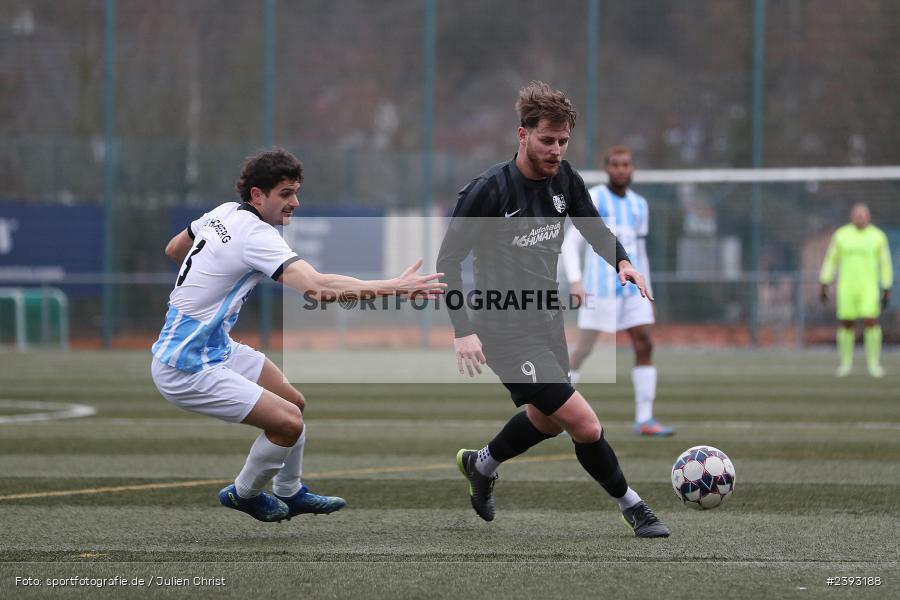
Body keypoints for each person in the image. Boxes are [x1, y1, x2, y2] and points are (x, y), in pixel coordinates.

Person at [151, 148, 444, 522]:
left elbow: (175, 248)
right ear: (258, 195)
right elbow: (319, 288)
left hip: (212, 348)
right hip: (185, 366)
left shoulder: (224, 212)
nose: (295, 202)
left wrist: (208, 284)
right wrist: (395, 287)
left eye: (295, 192)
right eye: (286, 194)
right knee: (288, 423)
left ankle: (290, 490)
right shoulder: (257, 235)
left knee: (293, 402)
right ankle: (244, 494)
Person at [436, 81, 670, 538]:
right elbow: (448, 260)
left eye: (563, 141)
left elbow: (594, 229)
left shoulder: (567, 180)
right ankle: (634, 507)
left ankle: (481, 464)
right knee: (584, 423)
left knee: (546, 421)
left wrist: (623, 260)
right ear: (522, 135)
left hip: (546, 322)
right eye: (547, 140)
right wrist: (463, 330)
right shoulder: (488, 191)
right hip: (502, 329)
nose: (556, 150)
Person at [560, 146, 673, 437]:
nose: (621, 169)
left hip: (632, 291)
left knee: (644, 342)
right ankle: (558, 411)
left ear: (631, 168)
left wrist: (648, 287)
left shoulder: (639, 205)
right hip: (600, 289)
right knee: (583, 350)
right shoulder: (595, 198)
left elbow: (640, 251)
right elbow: (572, 243)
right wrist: (575, 281)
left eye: (625, 164)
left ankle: (645, 419)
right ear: (607, 168)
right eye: (615, 164)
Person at [819, 203, 893, 378]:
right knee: (846, 323)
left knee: (871, 321)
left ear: (869, 216)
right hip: (847, 287)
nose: (860, 217)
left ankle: (873, 364)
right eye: (857, 214)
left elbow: (885, 263)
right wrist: (824, 282)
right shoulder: (842, 235)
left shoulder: (878, 237)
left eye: (863, 214)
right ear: (852, 217)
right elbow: (831, 260)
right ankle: (845, 364)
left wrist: (886, 286)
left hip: (869, 287)